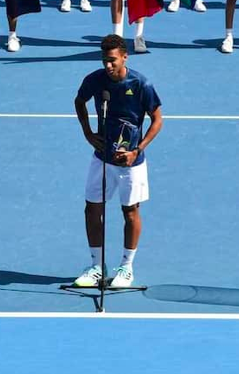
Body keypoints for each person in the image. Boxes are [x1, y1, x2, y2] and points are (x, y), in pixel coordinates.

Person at [74, 34, 163, 288]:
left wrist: (138, 149)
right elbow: (79, 101)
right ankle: (96, 266)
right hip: (102, 157)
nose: (108, 66)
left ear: (125, 56)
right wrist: (87, 132)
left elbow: (157, 120)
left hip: (131, 163)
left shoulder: (141, 84)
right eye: (104, 60)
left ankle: (126, 267)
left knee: (130, 211)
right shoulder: (94, 80)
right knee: (92, 207)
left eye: (112, 60)